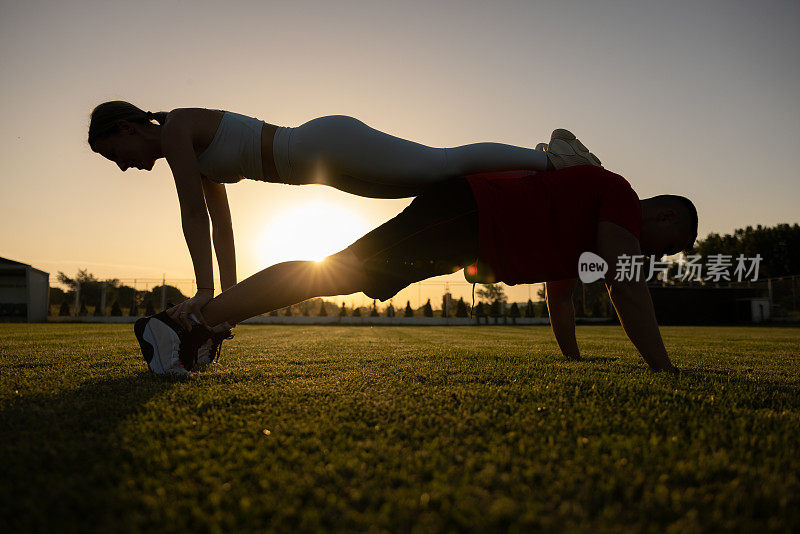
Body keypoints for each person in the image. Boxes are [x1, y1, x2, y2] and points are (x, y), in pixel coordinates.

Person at [133, 165, 698, 376]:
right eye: (677, 244)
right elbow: (627, 284)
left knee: (341, 272)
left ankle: (201, 325)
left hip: (466, 226)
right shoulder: (621, 197)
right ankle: (189, 325)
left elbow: (562, 294)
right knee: (337, 272)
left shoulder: (592, 226)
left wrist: (573, 359)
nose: (669, 254)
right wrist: (664, 369)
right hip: (467, 215)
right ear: (666, 214)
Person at [88, 101, 601, 331]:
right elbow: (219, 225)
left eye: (116, 154)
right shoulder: (195, 156)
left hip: (325, 144)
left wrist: (203, 293)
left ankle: (552, 157)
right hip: (323, 167)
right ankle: (534, 173)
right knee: (439, 179)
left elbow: (191, 213)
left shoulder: (177, 127)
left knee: (438, 162)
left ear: (129, 127)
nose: (125, 167)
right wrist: (223, 294)